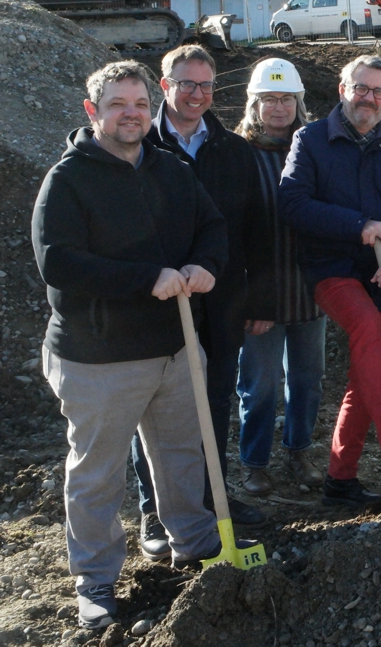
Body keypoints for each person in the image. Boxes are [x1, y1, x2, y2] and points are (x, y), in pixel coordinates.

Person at [33, 62, 227, 628]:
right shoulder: (67, 181)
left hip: (174, 346)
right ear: (93, 111)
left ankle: (194, 542)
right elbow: (58, 263)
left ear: (152, 106)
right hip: (98, 357)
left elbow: (211, 226)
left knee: (181, 454)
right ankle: (94, 583)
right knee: (98, 474)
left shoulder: (170, 169)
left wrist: (204, 264)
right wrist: (146, 278)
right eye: (118, 104)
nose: (131, 113)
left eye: (140, 103)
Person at [133, 45, 271, 560]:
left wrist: (258, 297)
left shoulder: (234, 150)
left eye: (206, 86)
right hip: (156, 305)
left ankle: (214, 497)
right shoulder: (141, 144)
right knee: (154, 411)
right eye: (186, 84)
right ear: (163, 85)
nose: (196, 95)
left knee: (214, 401)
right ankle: (154, 508)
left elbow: (255, 229)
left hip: (221, 304)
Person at [279, 55, 381, 508]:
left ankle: (339, 480)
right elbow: (292, 202)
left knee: (369, 367)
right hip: (331, 268)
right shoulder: (311, 140)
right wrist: (356, 225)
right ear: (343, 89)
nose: (369, 99)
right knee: (366, 329)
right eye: (361, 89)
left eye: (379, 91)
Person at [234, 58, 327, 495]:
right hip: (262, 294)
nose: (277, 107)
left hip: (308, 289)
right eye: (269, 99)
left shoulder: (312, 149)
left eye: (285, 98)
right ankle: (254, 462)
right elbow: (236, 237)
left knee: (308, 379)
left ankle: (299, 452)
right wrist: (252, 302)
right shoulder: (239, 155)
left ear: (298, 103)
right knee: (262, 383)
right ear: (254, 104)